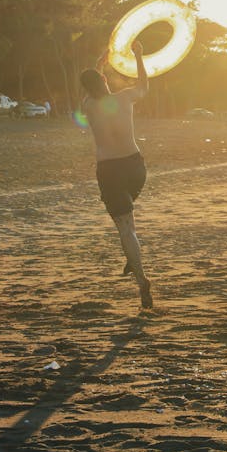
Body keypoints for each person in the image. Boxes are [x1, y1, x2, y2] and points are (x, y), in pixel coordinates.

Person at [80, 41, 153, 309]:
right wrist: (139, 56)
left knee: (125, 228)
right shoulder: (124, 98)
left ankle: (142, 278)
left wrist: (98, 65)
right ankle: (132, 257)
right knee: (128, 223)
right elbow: (144, 86)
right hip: (135, 168)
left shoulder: (88, 106)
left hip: (109, 170)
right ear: (104, 79)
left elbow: (91, 87)